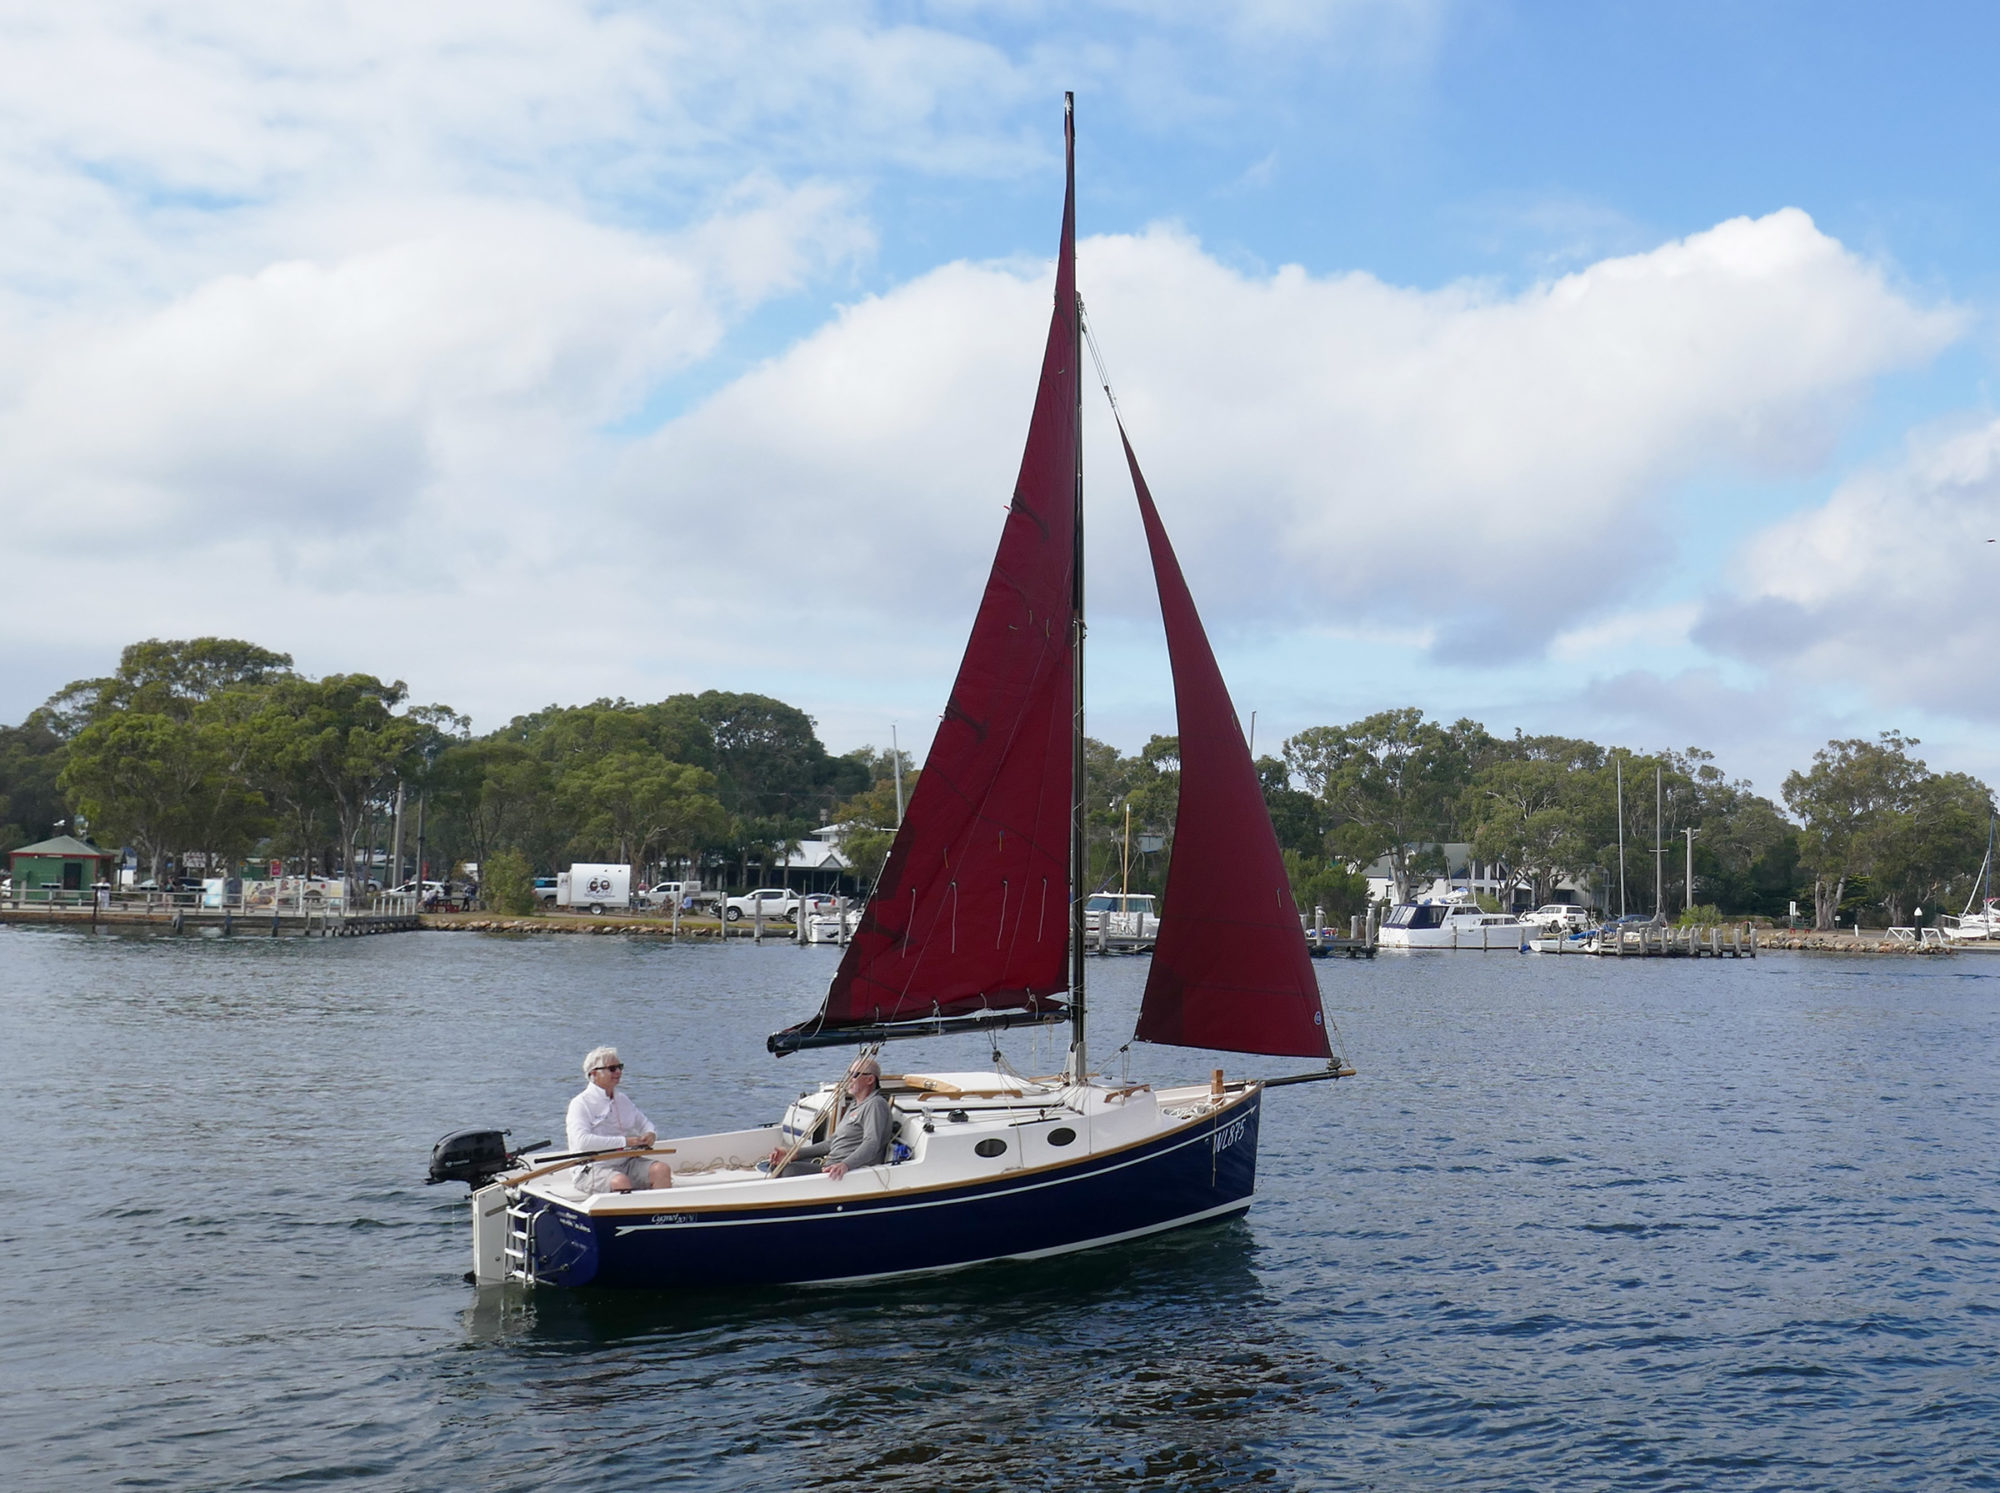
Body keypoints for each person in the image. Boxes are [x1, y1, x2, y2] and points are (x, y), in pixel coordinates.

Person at [566, 1046, 673, 1192]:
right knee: (620, 1182)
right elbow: (582, 1141)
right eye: (612, 1068)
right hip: (592, 1166)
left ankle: (660, 1214)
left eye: (620, 1067)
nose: (618, 1072)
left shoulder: (622, 1099)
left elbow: (645, 1124)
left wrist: (650, 1134)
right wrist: (627, 1142)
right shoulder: (580, 1103)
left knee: (661, 1170)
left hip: (626, 1162)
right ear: (594, 1074)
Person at [768, 1057, 890, 1180]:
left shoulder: (875, 1104)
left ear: (870, 1079)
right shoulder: (855, 1105)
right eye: (849, 1073)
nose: (848, 1079)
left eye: (855, 1075)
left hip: (849, 1171)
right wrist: (794, 1154)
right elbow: (832, 1143)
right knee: (779, 1164)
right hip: (831, 1163)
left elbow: (871, 1143)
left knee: (790, 1171)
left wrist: (845, 1165)